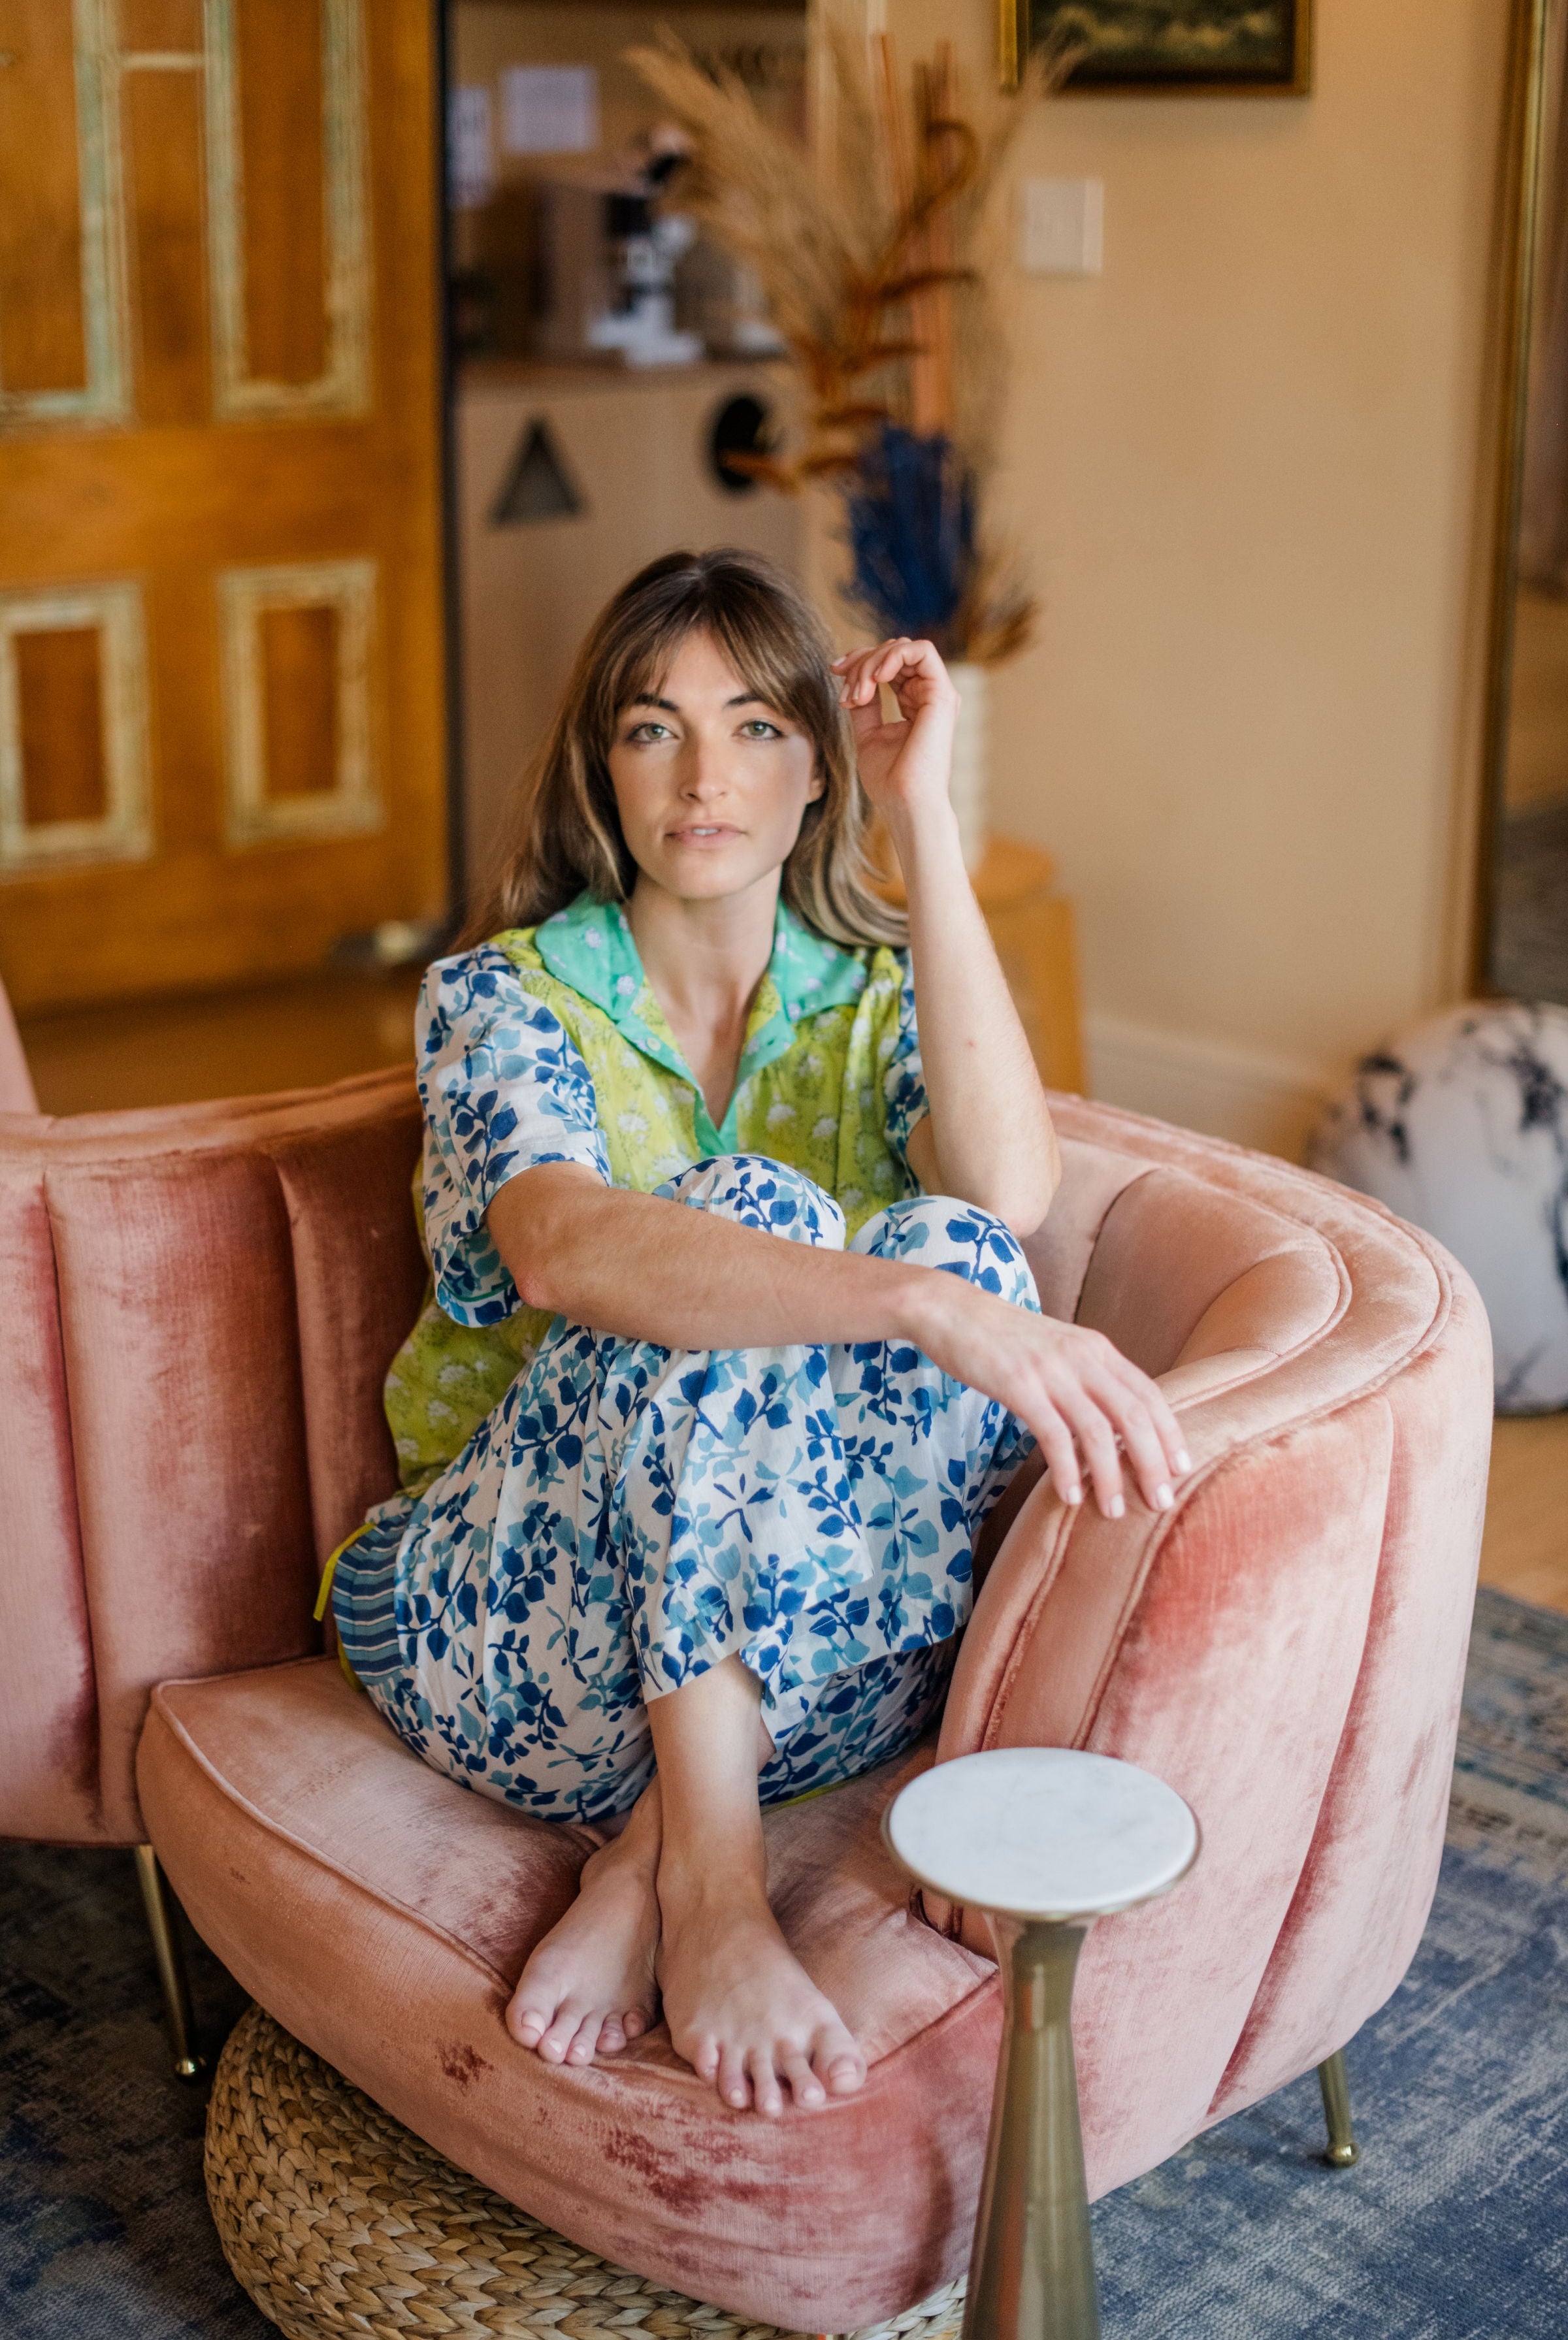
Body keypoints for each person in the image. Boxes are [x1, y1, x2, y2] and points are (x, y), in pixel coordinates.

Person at [331, 548, 1189, 2121]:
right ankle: (715, 1892)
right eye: (655, 728)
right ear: (604, 769)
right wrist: (919, 1309)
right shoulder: (502, 998)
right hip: (504, 1630)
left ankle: (652, 1855)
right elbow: (561, 1241)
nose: (706, 774)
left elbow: (1005, 1183)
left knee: (950, 1224)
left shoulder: (870, 1001)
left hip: (804, 1660)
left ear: (815, 774)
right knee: (772, 1220)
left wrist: (920, 813)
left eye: (756, 728)